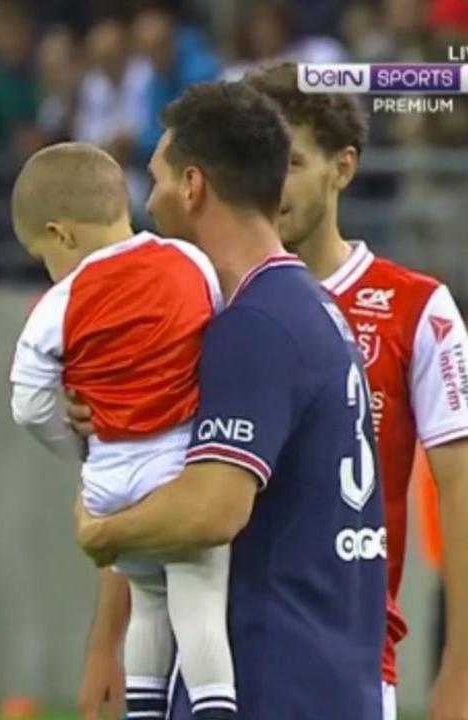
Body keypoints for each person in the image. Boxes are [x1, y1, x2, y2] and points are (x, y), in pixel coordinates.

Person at [72, 81, 386, 719]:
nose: (148, 199)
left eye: (155, 179)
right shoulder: (309, 306)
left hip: (270, 680)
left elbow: (211, 511)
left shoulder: (258, 324)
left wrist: (103, 530)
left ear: (193, 186)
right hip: (329, 673)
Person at [247, 62, 468, 720]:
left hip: (347, 663)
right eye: (255, 163)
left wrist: (458, 667)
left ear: (341, 168)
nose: (268, 186)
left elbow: (458, 488)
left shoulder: (416, 309)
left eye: (288, 162)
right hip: (214, 658)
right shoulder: (209, 303)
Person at [8, 143, 232, 717]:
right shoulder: (190, 262)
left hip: (110, 481)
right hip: (179, 469)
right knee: (196, 601)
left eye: (41, 255)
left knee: (147, 600)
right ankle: (215, 708)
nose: (47, 268)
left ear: (61, 235)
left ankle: (143, 709)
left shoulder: (59, 304)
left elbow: (29, 407)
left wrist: (80, 448)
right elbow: (214, 342)